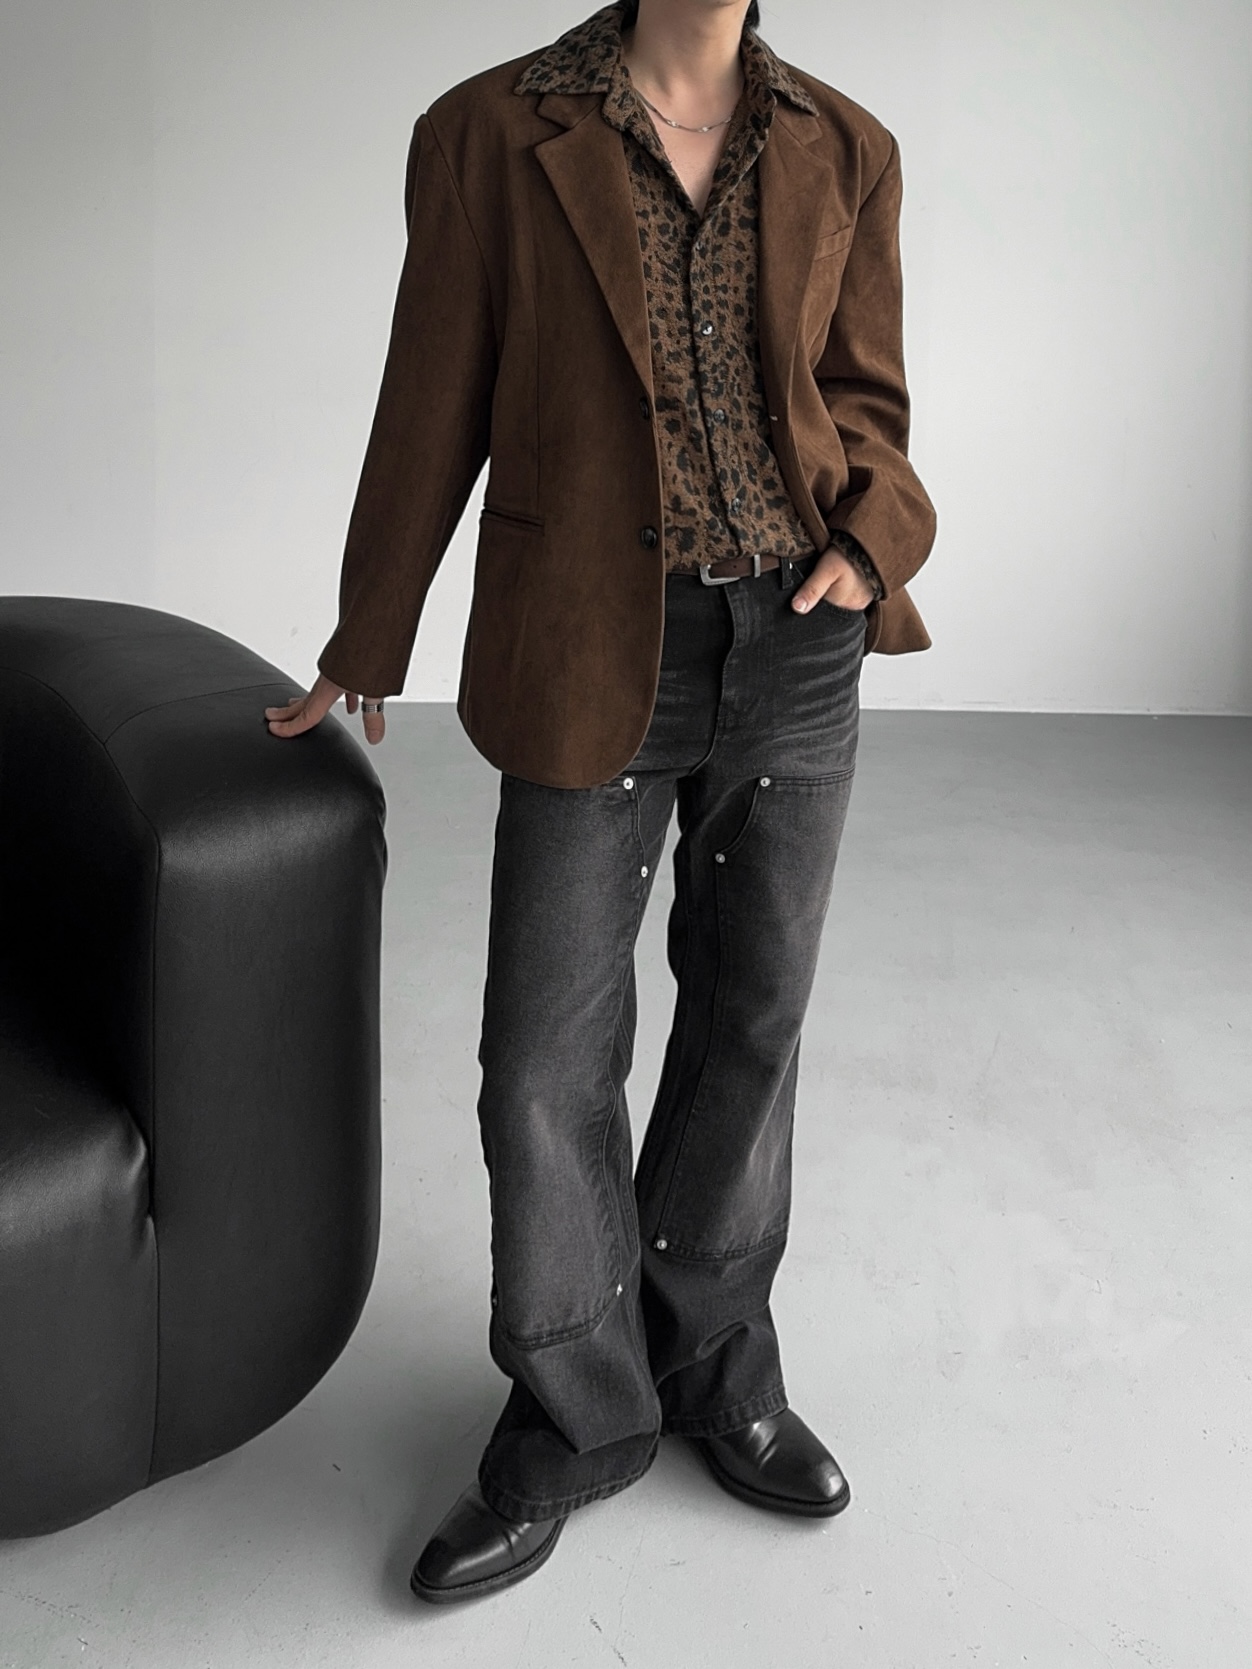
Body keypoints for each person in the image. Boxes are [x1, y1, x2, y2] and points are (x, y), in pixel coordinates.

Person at [265, 0, 936, 1604]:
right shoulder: (490, 131)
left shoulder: (845, 145)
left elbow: (869, 399)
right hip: (584, 643)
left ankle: (715, 1358)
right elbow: (432, 392)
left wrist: (872, 541)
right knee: (542, 1061)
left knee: (751, 1020)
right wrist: (368, 633)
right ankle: (575, 1411)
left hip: (796, 639)